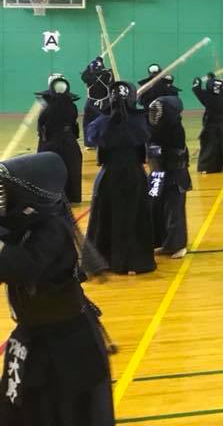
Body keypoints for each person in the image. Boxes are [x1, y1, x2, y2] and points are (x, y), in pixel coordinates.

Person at [0, 152, 115, 426]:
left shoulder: (52, 231)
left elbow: (20, 266)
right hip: (33, 336)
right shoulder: (22, 226)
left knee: (67, 413)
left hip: (67, 346)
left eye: (6, 191)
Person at [85, 81, 156, 275]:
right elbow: (147, 135)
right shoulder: (139, 121)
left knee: (107, 215)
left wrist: (105, 114)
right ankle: (133, 261)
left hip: (109, 175)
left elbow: (90, 137)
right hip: (133, 175)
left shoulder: (102, 121)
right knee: (132, 216)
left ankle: (105, 259)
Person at [147, 95, 192, 259]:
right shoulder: (155, 128)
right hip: (157, 174)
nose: (154, 115)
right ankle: (162, 242)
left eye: (158, 112)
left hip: (174, 175)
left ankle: (178, 245)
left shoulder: (175, 129)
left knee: (174, 210)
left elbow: (172, 154)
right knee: (156, 208)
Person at [36, 75, 83, 204]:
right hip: (68, 141)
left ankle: (49, 196)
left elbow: (41, 124)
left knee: (48, 168)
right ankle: (71, 196)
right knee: (71, 167)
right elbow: (73, 124)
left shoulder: (47, 107)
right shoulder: (71, 107)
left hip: (50, 142)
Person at [193, 74, 223, 174]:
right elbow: (221, 85)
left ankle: (207, 168)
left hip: (211, 125)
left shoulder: (207, 96)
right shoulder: (221, 95)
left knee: (209, 147)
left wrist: (200, 79)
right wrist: (211, 78)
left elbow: (196, 88)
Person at [80, 56, 113, 149]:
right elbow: (111, 76)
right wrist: (101, 62)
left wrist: (93, 62)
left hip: (92, 103)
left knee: (88, 122)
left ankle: (90, 143)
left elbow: (84, 74)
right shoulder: (107, 75)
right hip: (105, 103)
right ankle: (105, 142)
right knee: (105, 122)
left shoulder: (88, 77)